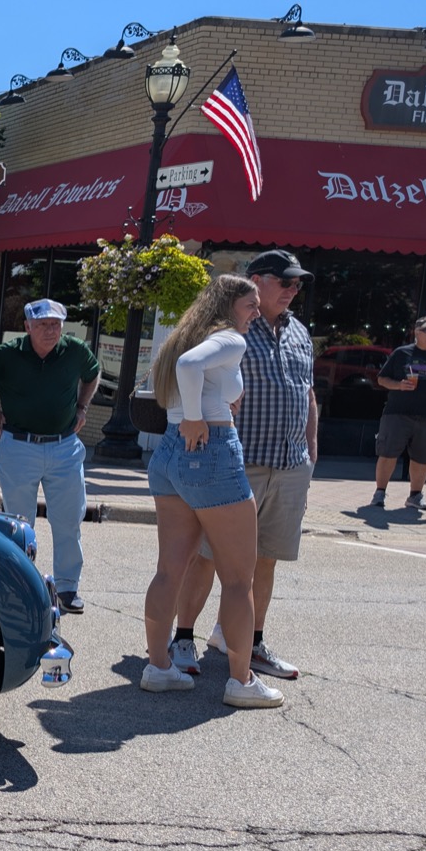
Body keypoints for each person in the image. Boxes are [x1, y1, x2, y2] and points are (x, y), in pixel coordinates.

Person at [170, 250, 317, 681]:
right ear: (257, 281)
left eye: (297, 284)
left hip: (289, 464)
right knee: (208, 557)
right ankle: (182, 638)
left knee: (265, 558)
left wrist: (310, 449)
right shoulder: (231, 330)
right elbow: (185, 377)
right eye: (284, 281)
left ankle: (248, 642)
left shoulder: (300, 333)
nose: (292, 290)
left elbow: (307, 393)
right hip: (238, 460)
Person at [138, 273, 282, 706]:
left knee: (169, 570)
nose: (256, 313)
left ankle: (158, 666)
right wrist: (199, 416)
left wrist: (197, 410)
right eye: (250, 305)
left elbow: (185, 371)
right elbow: (190, 369)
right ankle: (241, 681)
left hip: (169, 453)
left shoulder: (186, 337)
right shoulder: (229, 339)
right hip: (210, 449)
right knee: (240, 578)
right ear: (228, 305)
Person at [0, 299, 101, 613]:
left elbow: (92, 374)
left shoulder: (75, 350)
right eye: (42, 325)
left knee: (68, 520)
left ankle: (67, 588)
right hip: (19, 445)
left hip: (64, 446)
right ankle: (20, 585)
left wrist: (82, 406)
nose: (50, 331)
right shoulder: (8, 353)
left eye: (55, 324)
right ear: (28, 327)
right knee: (18, 522)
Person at [370, 316, 426, 512]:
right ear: (417, 332)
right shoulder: (402, 353)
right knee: (388, 453)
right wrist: (398, 385)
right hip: (398, 413)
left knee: (423, 457)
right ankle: (379, 493)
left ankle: (415, 496)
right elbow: (382, 379)